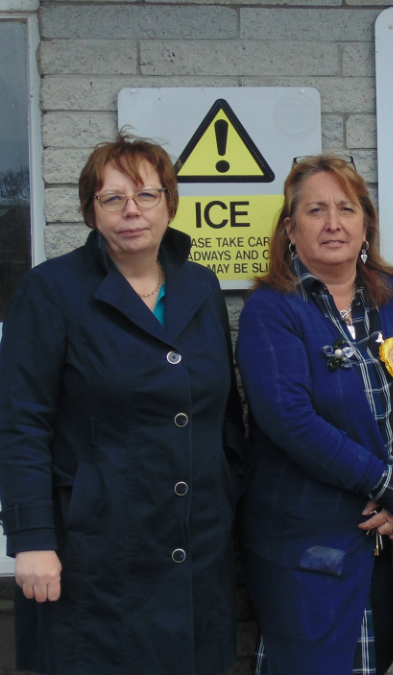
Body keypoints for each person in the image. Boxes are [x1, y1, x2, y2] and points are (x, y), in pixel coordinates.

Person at [0, 133, 246, 675]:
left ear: (170, 203)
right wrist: (31, 539)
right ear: (91, 211)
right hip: (97, 549)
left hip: (195, 541)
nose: (131, 211)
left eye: (146, 195)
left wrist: (227, 496)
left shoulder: (200, 286)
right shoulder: (50, 292)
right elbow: (20, 425)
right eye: (112, 198)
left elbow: (223, 413)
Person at [237, 155, 393, 675]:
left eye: (346, 209)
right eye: (315, 210)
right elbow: (288, 418)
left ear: (366, 224)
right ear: (290, 229)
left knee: (380, 661)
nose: (333, 223)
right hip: (313, 545)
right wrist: (388, 485)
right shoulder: (271, 308)